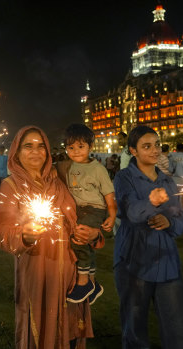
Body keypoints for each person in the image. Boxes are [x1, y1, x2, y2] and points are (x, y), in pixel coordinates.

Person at [0, 125, 103, 349]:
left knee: (71, 334)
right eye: (28, 146)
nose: (35, 151)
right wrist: (23, 235)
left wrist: (94, 234)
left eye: (40, 146)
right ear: (16, 152)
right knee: (42, 333)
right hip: (38, 271)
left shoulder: (59, 180)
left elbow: (84, 214)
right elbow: (2, 233)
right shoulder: (11, 186)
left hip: (71, 272)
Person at [114, 125, 183, 349]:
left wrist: (170, 222)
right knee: (135, 328)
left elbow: (181, 220)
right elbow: (130, 212)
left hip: (167, 261)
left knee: (178, 330)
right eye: (146, 146)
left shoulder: (167, 181)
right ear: (133, 151)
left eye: (157, 144)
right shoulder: (124, 178)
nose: (154, 150)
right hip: (134, 261)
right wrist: (153, 203)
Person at [56, 123, 116, 305]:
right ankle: (92, 283)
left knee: (80, 238)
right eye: (71, 147)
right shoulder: (67, 166)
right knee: (88, 245)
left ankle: (83, 282)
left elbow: (108, 194)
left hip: (93, 209)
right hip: (77, 209)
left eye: (81, 147)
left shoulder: (98, 169)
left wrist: (112, 215)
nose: (75, 151)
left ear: (90, 146)